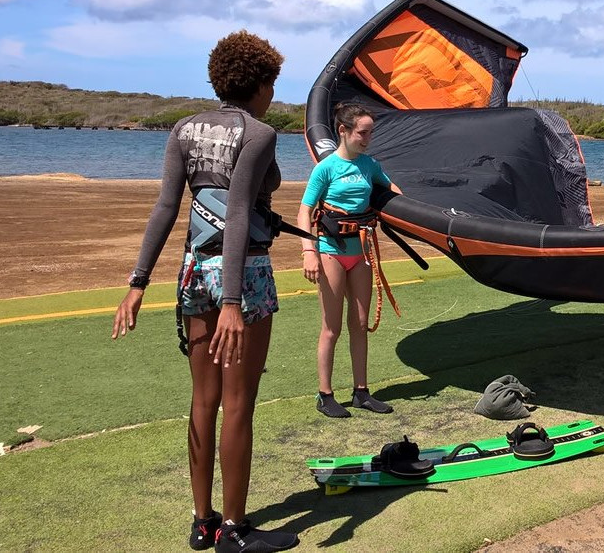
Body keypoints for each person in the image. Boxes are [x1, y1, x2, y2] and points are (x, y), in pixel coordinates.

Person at [111, 31, 298, 553]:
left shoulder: (184, 128)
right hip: (245, 273)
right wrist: (235, 302)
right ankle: (235, 530)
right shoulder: (258, 133)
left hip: (193, 270)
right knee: (239, 403)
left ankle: (203, 521)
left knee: (204, 399)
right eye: (272, 84)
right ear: (261, 82)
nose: (272, 94)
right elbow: (238, 213)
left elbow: (166, 209)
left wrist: (137, 283)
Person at [298, 103, 396, 418]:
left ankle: (361, 392)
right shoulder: (325, 168)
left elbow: (392, 190)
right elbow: (304, 210)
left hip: (361, 251)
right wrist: (308, 251)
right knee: (332, 327)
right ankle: (325, 395)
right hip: (331, 250)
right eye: (363, 133)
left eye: (370, 133)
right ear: (343, 131)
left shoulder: (370, 165)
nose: (368, 138)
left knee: (360, 324)